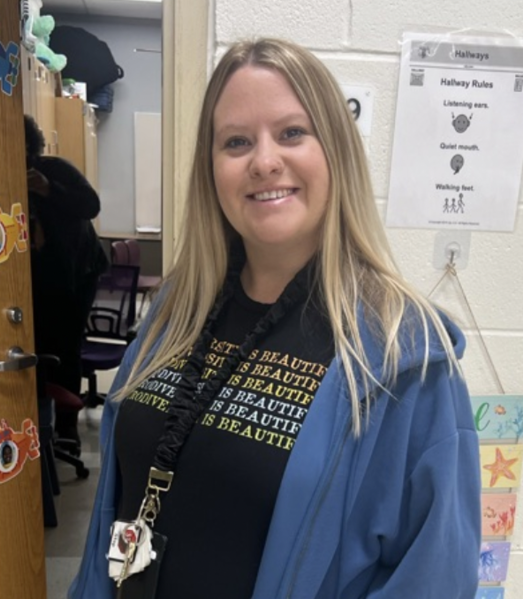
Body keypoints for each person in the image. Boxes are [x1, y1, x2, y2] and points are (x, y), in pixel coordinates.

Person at [69, 38, 480, 599]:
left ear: (335, 150)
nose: (264, 161)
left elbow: (433, 578)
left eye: (292, 133)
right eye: (236, 141)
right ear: (211, 169)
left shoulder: (403, 355)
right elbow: (113, 512)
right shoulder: (175, 310)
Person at [24, 115, 107, 442]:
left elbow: (91, 205)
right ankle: (39, 420)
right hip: (39, 275)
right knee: (40, 345)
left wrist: (47, 187)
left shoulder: (56, 168)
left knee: (68, 344)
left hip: (78, 272)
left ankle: (67, 425)